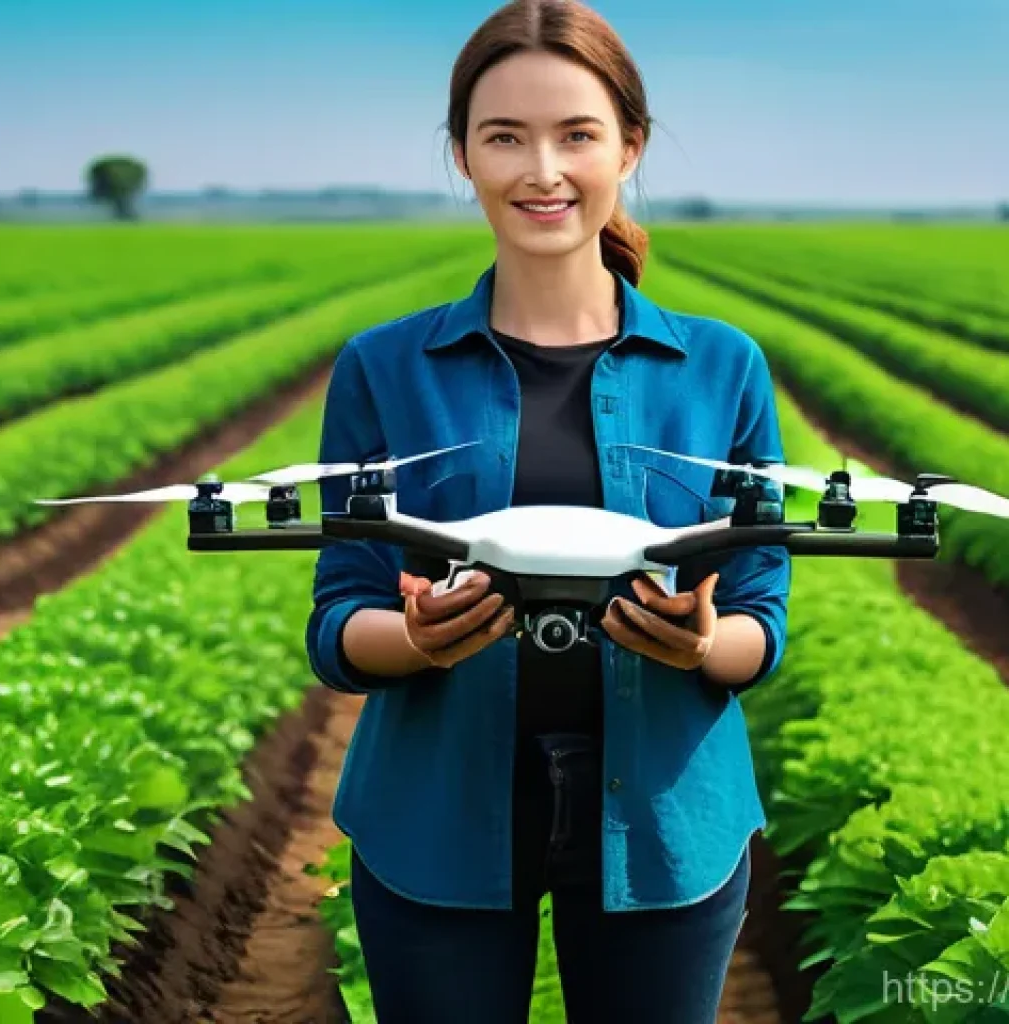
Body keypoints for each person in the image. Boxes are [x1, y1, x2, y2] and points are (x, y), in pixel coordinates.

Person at [305, 1, 791, 1020]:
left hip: (665, 831)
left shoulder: (722, 367)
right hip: (432, 819)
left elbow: (761, 616)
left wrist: (702, 643)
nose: (542, 170)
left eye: (576, 134)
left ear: (629, 147)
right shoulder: (383, 368)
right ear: (462, 155)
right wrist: (417, 638)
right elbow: (340, 615)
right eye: (504, 137)